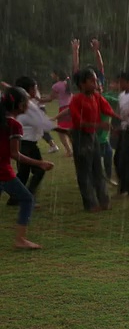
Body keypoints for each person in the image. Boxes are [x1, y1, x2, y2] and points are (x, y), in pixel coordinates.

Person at [0, 87, 55, 249]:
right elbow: (15, 154)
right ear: (19, 105)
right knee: (27, 199)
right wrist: (40, 163)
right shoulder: (13, 125)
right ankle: (20, 239)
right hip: (3, 172)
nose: (28, 104)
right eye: (26, 102)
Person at [69, 68, 120, 212]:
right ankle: (90, 204)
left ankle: (104, 201)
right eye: (92, 81)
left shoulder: (96, 96)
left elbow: (108, 110)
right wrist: (99, 125)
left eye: (96, 80)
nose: (96, 83)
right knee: (84, 171)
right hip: (80, 137)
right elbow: (78, 122)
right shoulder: (76, 100)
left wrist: (121, 119)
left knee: (98, 169)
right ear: (82, 84)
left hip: (93, 136)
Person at [5, 77, 57, 207]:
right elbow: (43, 122)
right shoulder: (27, 106)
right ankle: (26, 197)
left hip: (27, 143)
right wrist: (64, 130)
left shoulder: (26, 104)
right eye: (34, 88)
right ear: (27, 90)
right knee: (37, 170)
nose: (36, 90)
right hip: (25, 143)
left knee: (23, 173)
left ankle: (16, 198)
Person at [39, 69, 73, 156]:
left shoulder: (56, 86)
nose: (51, 75)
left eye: (52, 73)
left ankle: (69, 151)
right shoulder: (68, 83)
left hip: (63, 109)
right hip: (72, 108)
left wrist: (38, 99)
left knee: (61, 131)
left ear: (57, 75)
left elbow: (50, 99)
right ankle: (74, 149)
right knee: (70, 130)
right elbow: (58, 96)